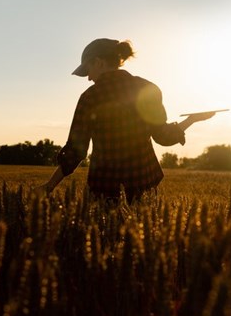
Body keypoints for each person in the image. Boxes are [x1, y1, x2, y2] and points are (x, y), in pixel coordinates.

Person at [37, 38, 215, 201]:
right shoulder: (147, 89)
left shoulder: (89, 98)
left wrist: (49, 186)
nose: (89, 77)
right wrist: (192, 120)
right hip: (144, 185)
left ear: (98, 62)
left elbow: (76, 151)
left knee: (107, 236)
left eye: (88, 70)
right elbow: (163, 137)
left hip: (104, 189)